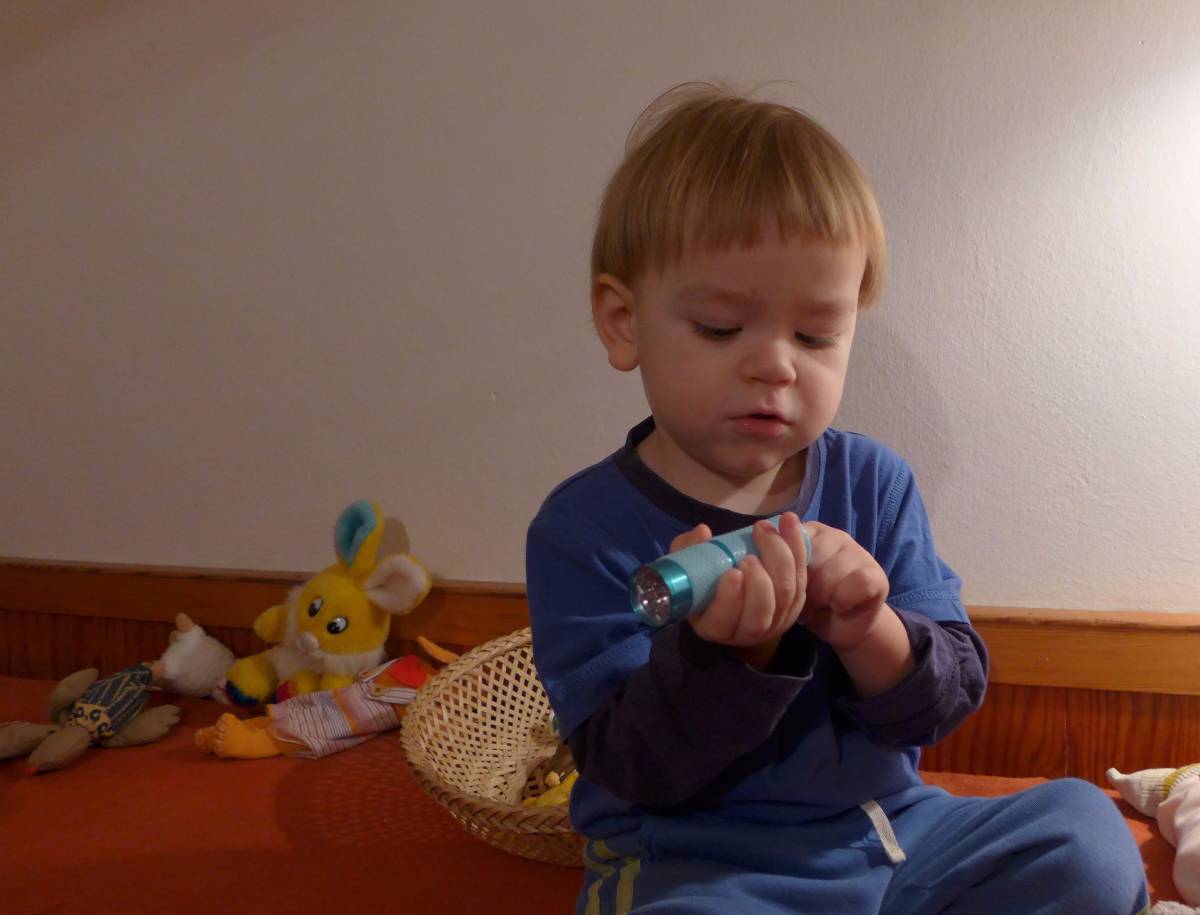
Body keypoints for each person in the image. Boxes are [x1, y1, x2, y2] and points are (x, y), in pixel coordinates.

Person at [525, 83, 1148, 914]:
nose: (776, 365)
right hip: (698, 862)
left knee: (1084, 834)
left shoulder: (874, 483)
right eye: (720, 327)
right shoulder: (581, 527)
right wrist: (729, 658)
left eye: (816, 334)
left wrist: (868, 629)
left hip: (889, 834)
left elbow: (943, 700)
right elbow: (635, 768)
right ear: (622, 320)